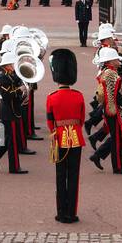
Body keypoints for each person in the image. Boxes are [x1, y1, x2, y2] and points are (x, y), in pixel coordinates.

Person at [45, 49, 85, 224]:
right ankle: (72, 213)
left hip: (59, 138)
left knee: (60, 176)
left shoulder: (51, 98)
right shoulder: (79, 96)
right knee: (74, 176)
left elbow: (49, 122)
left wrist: (56, 132)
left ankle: (61, 212)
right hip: (75, 137)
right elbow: (82, 119)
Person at [0, 51, 28, 174]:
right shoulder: (3, 77)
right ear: (7, 65)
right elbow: (7, 95)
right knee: (13, 141)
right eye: (12, 64)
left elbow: (16, 81)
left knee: (9, 138)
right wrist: (20, 90)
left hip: (12, 110)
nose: (14, 65)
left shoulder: (10, 74)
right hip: (9, 112)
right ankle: (14, 167)